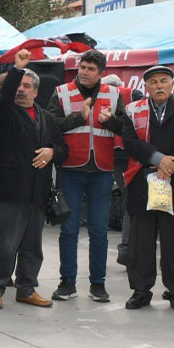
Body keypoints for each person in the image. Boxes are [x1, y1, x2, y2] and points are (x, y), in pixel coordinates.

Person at [0, 49, 65, 309]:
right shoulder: (4, 112)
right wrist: (17, 69)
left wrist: (52, 152)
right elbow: (4, 97)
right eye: (18, 85)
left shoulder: (48, 118)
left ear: (36, 92)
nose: (21, 90)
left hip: (37, 192)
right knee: (5, 244)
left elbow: (63, 149)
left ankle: (26, 288)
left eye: (27, 86)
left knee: (32, 246)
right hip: (9, 191)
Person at [120, 66, 174, 314]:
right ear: (146, 86)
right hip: (143, 181)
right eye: (153, 82)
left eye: (164, 81)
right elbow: (130, 141)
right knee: (140, 242)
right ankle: (141, 291)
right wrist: (158, 159)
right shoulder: (132, 110)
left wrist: (171, 165)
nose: (158, 86)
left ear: (171, 83)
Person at [47, 49, 124, 303]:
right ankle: (67, 282)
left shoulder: (113, 94)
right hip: (70, 168)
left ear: (101, 73)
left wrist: (110, 121)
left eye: (92, 69)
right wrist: (77, 118)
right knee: (68, 229)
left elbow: (126, 128)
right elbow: (51, 126)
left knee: (99, 231)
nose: (86, 72)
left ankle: (98, 284)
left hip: (101, 170)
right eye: (83, 67)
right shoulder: (61, 92)